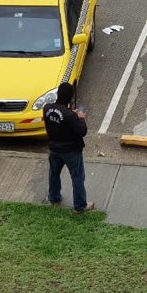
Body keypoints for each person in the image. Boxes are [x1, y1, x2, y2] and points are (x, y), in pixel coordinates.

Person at [43, 81, 94, 213]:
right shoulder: (71, 116)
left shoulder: (47, 108)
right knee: (77, 177)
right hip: (71, 151)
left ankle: (53, 198)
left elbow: (60, 114)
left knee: (54, 173)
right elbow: (82, 131)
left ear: (58, 94)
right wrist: (80, 118)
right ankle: (80, 205)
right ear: (70, 97)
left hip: (54, 148)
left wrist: (71, 114)